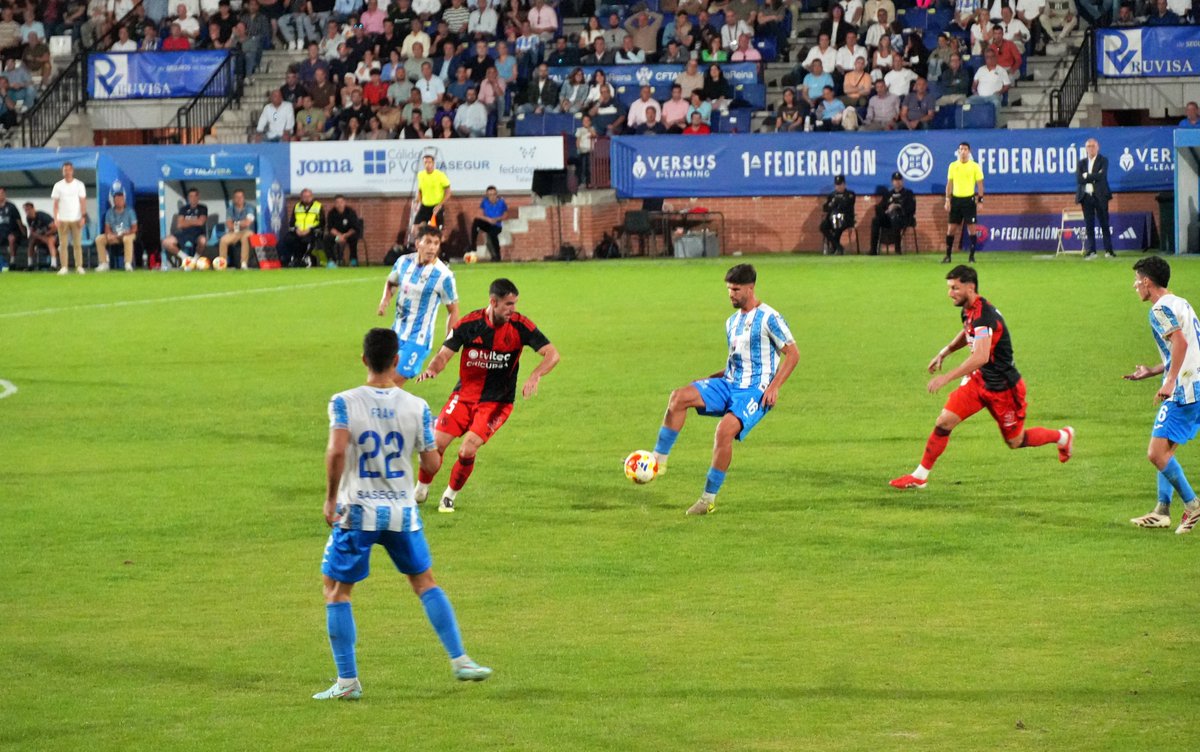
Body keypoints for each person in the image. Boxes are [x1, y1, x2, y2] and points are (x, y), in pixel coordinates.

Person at [313, 328, 492, 702]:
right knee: (425, 582)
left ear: (364, 360)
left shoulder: (344, 402)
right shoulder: (417, 407)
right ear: (397, 361)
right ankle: (460, 659)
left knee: (336, 591)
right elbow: (430, 460)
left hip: (357, 511)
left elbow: (335, 451)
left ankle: (347, 682)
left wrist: (331, 499)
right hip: (401, 512)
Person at [889, 265, 1074, 490]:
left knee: (1015, 441)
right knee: (944, 421)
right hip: (979, 382)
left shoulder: (984, 316)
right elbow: (968, 331)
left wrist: (946, 378)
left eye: (955, 288)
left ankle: (1062, 437)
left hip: (1003, 388)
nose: (950, 293)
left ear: (970, 286)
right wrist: (945, 352)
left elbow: (981, 356)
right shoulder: (968, 310)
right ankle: (920, 476)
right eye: (949, 288)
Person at [650, 264, 799, 516]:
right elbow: (740, 360)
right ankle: (657, 461)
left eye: (736, 289)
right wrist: (714, 378)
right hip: (729, 383)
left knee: (724, 431)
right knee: (679, 396)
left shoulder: (769, 318)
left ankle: (707, 499)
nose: (731, 294)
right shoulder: (731, 322)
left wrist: (775, 387)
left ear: (750, 288)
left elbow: (793, 354)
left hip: (755, 391)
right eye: (729, 289)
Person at [414, 277, 560, 513]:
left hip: (497, 402)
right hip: (463, 397)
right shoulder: (468, 324)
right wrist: (432, 369)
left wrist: (535, 375)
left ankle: (450, 495)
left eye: (514, 304)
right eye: (508, 304)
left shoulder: (521, 326)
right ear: (493, 302)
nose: (513, 310)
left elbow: (552, 354)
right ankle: (421, 487)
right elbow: (443, 355)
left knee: (467, 448)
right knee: (435, 446)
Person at [1124, 256, 1200, 534]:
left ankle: (1193, 505)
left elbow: (1179, 342)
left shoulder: (1158, 309)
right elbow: (1186, 347)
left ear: (1147, 282)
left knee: (1156, 453)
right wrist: (1153, 370)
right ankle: (1162, 510)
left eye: (1136, 281)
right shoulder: (1181, 303)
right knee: (1166, 451)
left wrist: (1169, 382)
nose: (1134, 286)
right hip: (1196, 384)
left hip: (1185, 389)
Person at [376, 224, 460, 386]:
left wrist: (449, 343)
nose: (432, 247)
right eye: (428, 242)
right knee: (383, 384)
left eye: (436, 243)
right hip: (396, 334)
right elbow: (393, 281)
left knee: (388, 385)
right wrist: (385, 300)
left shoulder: (444, 276)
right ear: (417, 244)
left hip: (418, 341)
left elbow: (453, 310)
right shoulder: (403, 262)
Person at [943, 141, 984, 264]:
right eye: (961, 149)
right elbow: (949, 184)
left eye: (966, 149)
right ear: (958, 151)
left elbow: (980, 185)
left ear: (969, 152)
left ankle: (971, 256)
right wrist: (947, 199)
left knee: (971, 229)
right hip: (956, 200)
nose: (963, 151)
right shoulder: (953, 166)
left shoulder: (975, 166)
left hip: (969, 200)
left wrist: (980, 200)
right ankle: (948, 256)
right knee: (951, 229)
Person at [1076, 137, 1114, 260]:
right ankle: (1092, 251)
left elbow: (1101, 176)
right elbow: (1079, 179)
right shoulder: (1081, 163)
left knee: (1104, 223)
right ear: (1086, 149)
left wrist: (1087, 176)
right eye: (1089, 146)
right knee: (1089, 224)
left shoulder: (1103, 160)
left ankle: (1109, 250)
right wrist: (1092, 177)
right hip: (1086, 197)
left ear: (1097, 147)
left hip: (1100, 196)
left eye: (1093, 146)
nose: (1091, 149)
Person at [51, 162, 87, 275]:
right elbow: (55, 204)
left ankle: (79, 266)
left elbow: (83, 202)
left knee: (77, 244)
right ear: (63, 172)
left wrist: (83, 217)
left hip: (76, 218)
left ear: (72, 171)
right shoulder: (58, 185)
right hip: (62, 219)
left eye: (68, 170)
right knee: (63, 244)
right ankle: (64, 267)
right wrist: (56, 218)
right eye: (65, 170)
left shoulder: (79, 185)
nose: (67, 172)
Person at [871, 172, 916, 254]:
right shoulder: (888, 194)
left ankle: (897, 250)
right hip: (889, 219)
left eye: (899, 180)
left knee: (896, 219)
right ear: (892, 182)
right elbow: (881, 207)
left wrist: (898, 206)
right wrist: (887, 210)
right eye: (895, 180)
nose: (897, 182)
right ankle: (873, 250)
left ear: (903, 181)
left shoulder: (908, 193)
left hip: (904, 219)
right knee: (876, 220)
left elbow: (911, 208)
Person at [162, 187, 209, 263]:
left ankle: (195, 260)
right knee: (166, 241)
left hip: (197, 233)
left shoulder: (202, 208)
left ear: (198, 197)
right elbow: (180, 224)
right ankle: (185, 258)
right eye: (191, 196)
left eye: (195, 196)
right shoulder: (183, 209)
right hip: (184, 234)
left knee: (203, 241)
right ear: (188, 198)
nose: (193, 198)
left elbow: (201, 222)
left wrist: (186, 221)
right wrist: (195, 221)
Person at [96, 190, 137, 272]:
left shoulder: (130, 212)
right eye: (117, 200)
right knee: (99, 239)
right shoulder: (109, 212)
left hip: (128, 234)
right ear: (114, 201)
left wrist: (126, 233)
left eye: (121, 200)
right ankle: (104, 263)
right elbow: (107, 228)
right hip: (114, 236)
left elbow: (134, 229)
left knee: (127, 239)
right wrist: (109, 235)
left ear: (124, 200)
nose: (119, 202)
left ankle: (127, 263)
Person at [282, 188, 323, 267]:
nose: (307, 198)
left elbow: (321, 223)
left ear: (312, 197)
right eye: (304, 196)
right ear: (301, 197)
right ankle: (291, 259)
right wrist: (296, 230)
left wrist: (310, 230)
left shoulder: (318, 206)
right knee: (287, 239)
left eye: (308, 196)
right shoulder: (297, 206)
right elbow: (292, 223)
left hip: (312, 232)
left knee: (306, 240)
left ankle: (305, 258)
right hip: (298, 231)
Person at [820, 175, 856, 255]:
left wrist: (836, 203)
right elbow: (826, 208)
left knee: (838, 224)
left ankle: (835, 248)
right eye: (837, 185)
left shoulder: (850, 194)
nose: (838, 187)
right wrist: (832, 203)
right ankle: (838, 246)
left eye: (840, 184)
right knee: (823, 226)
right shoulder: (832, 195)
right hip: (832, 218)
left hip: (846, 219)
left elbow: (846, 206)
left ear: (844, 184)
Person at [220, 189, 256, 269]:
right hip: (235, 233)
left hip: (247, 231)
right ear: (233, 199)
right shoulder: (230, 209)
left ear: (244, 198)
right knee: (223, 240)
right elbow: (229, 225)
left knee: (245, 237)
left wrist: (235, 224)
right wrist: (240, 224)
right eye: (237, 197)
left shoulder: (249, 208)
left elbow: (247, 223)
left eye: (241, 197)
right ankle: (222, 264)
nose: (239, 199)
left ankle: (244, 263)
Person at [471, 186, 508, 260]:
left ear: (496, 194)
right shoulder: (484, 202)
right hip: (488, 223)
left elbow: (505, 215)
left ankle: (497, 255)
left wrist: (497, 219)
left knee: (492, 233)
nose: (492, 197)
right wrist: (488, 219)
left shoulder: (501, 202)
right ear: (487, 195)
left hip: (497, 225)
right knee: (476, 221)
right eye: (490, 195)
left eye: (494, 194)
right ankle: (473, 245)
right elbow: (479, 215)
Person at [415, 153, 450, 229]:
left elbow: (448, 192)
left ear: (433, 163)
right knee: (416, 228)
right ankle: (420, 240)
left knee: (436, 231)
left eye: (429, 162)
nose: (427, 165)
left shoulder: (440, 175)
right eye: (425, 163)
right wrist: (418, 202)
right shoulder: (420, 175)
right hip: (424, 206)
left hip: (436, 206)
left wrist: (440, 205)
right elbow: (420, 190)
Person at [325, 195, 360, 267]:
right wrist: (339, 236)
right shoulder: (331, 213)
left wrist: (345, 235)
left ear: (344, 202)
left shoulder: (351, 212)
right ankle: (332, 261)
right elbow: (330, 228)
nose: (339, 204)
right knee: (327, 239)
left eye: (341, 202)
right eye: (337, 202)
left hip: (348, 236)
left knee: (354, 238)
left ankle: (353, 260)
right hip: (337, 237)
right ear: (334, 204)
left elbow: (354, 228)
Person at [23, 202, 57, 271]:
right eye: (26, 210)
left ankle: (54, 265)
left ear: (33, 209)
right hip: (40, 236)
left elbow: (54, 228)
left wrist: (45, 235)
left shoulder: (43, 216)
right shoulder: (29, 219)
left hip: (52, 234)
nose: (27, 212)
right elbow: (32, 231)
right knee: (31, 242)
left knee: (50, 241)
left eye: (29, 209)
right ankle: (30, 264)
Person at [0, 187, 24, 270]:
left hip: (11, 231)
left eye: (1, 193)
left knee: (11, 238)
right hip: (1, 232)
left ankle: (12, 261)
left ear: (4, 194)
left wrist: (23, 234)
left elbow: (18, 221)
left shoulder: (11, 206)